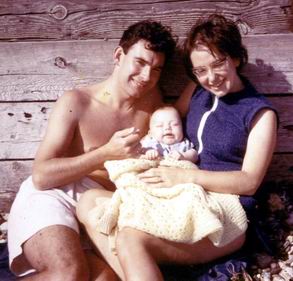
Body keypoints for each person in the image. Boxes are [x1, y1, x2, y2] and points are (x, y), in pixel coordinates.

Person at [77, 14, 278, 281]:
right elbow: (168, 118)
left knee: (131, 238)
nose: (211, 78)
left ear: (237, 58)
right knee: (89, 202)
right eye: (200, 71)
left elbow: (249, 182)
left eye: (219, 64)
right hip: (180, 194)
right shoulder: (197, 90)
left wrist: (185, 176)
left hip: (223, 212)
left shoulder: (259, 114)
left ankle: (138, 265)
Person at [7, 20, 176, 280]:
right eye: (140, 63)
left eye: (156, 70)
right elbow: (41, 175)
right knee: (69, 273)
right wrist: (106, 152)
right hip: (55, 194)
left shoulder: (153, 106)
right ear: (119, 55)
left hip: (101, 209)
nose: (146, 77)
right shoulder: (77, 102)